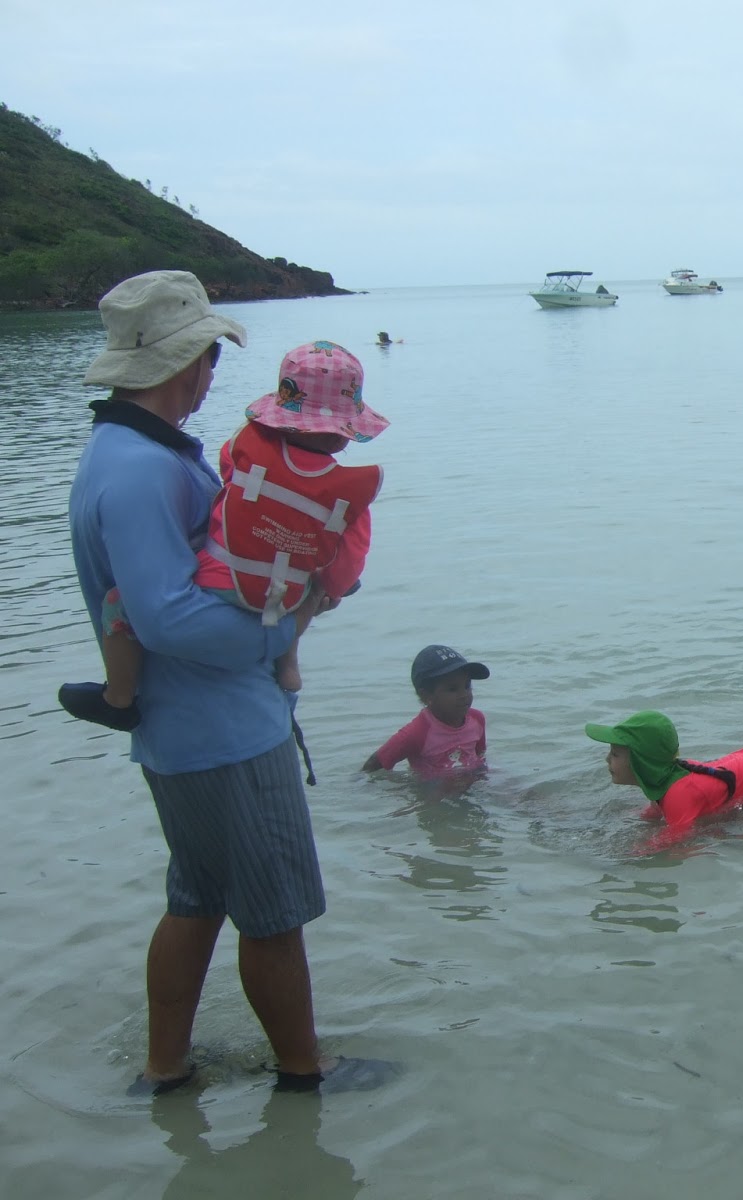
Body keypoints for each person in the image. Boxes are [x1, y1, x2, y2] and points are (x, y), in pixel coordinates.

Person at [66, 270, 389, 1096]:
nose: (212, 376)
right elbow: (172, 618)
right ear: (190, 365)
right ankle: (304, 1070)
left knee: (199, 895)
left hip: (181, 730)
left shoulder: (128, 451)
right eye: (209, 359)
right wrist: (287, 627)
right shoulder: (141, 469)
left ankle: (166, 1069)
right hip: (224, 733)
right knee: (274, 911)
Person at [60, 341, 386, 730]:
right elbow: (341, 571)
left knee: (116, 604)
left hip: (219, 582)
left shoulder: (243, 448)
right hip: (286, 603)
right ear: (343, 435)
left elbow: (229, 491)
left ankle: (118, 697)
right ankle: (288, 665)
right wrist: (322, 591)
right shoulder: (350, 496)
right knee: (309, 584)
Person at [584, 710, 743, 851]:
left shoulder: (679, 794)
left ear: (641, 763)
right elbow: (656, 811)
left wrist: (637, 851)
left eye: (614, 754)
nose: (606, 759)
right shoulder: (663, 777)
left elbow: (680, 839)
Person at [363, 645, 490, 783]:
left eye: (467, 686)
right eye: (452, 689)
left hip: (470, 781)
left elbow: (480, 756)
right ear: (426, 695)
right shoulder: (417, 733)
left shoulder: (477, 719)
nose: (464, 695)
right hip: (435, 793)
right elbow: (375, 763)